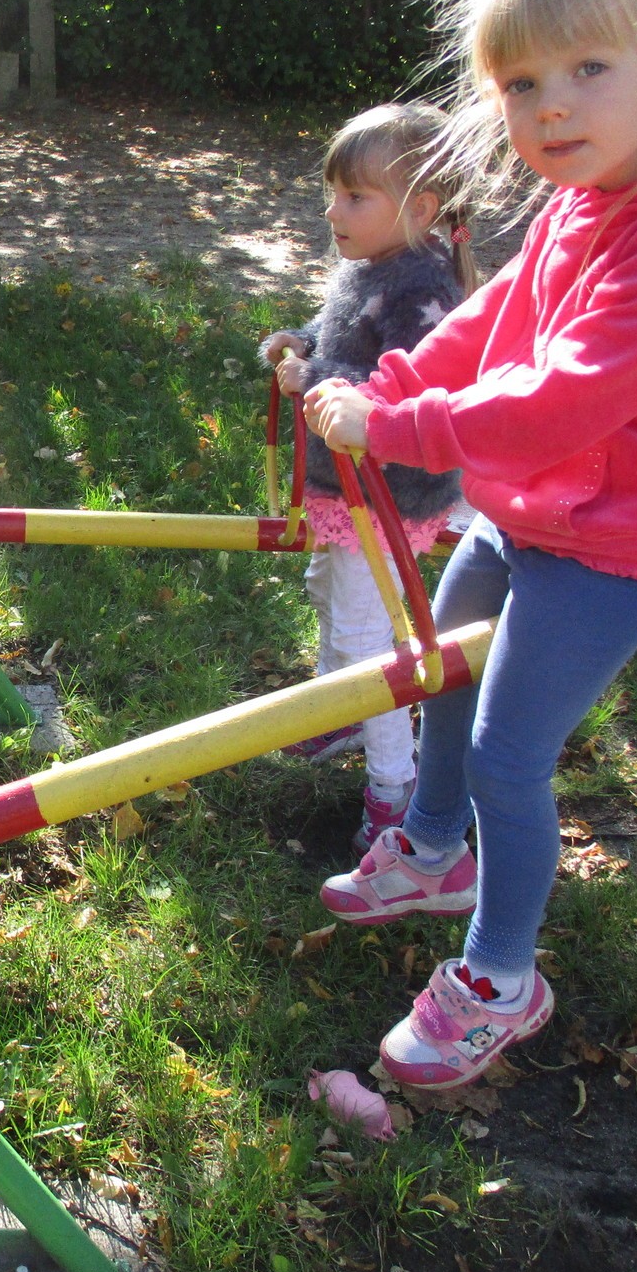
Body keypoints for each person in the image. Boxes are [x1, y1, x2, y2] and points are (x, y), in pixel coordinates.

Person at [308, 0, 637, 1088]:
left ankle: (500, 978)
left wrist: (400, 427)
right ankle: (431, 848)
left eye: (587, 70)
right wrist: (398, 378)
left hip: (624, 542)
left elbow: (567, 399)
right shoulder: (597, 188)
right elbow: (500, 313)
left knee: (510, 756)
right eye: (522, 85)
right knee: (442, 672)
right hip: (537, 510)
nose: (550, 108)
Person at [261, 102, 474, 852]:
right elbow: (346, 339)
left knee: (368, 637)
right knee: (327, 591)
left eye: (355, 196)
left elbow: (407, 388)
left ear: (420, 209)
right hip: (346, 486)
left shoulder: (422, 290)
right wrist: (302, 342)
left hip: (388, 493)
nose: (333, 211)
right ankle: (341, 711)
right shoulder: (370, 268)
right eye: (334, 193)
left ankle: (395, 785)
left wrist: (316, 373)